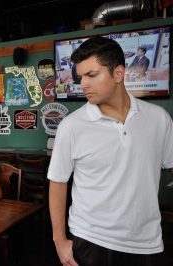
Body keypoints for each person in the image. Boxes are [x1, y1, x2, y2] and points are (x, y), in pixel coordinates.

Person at [47, 36, 173, 266]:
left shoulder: (159, 119)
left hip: (146, 241)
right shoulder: (71, 126)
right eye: (80, 77)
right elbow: (58, 181)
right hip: (90, 239)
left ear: (118, 73)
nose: (83, 84)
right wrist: (59, 240)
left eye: (92, 75)